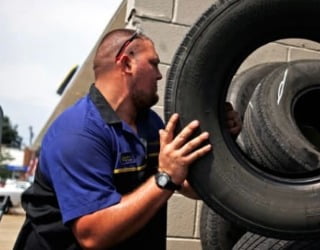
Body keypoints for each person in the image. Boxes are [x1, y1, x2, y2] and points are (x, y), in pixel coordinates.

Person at [14, 28, 242, 249]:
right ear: (126, 63)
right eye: (153, 63)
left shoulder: (150, 125)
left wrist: (221, 138)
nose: (159, 74)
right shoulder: (78, 133)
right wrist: (164, 178)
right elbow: (92, 236)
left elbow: (189, 185)